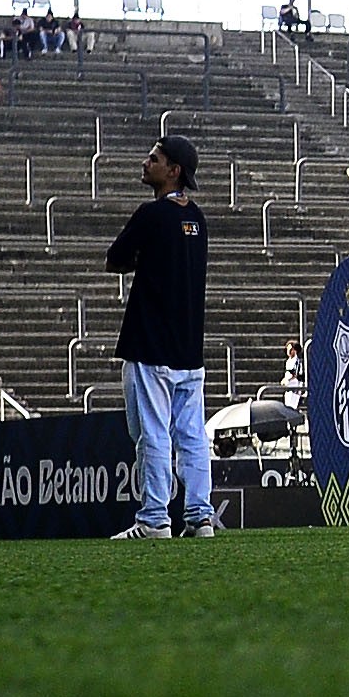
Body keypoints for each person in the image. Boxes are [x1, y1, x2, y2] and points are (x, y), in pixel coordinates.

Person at [104, 135, 215, 538]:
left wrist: (142, 260)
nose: (146, 162)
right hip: (189, 347)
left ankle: (154, 518)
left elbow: (115, 258)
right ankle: (200, 516)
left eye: (155, 158)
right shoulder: (197, 218)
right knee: (191, 435)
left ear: (174, 171)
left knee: (151, 432)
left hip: (151, 343)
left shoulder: (151, 215)